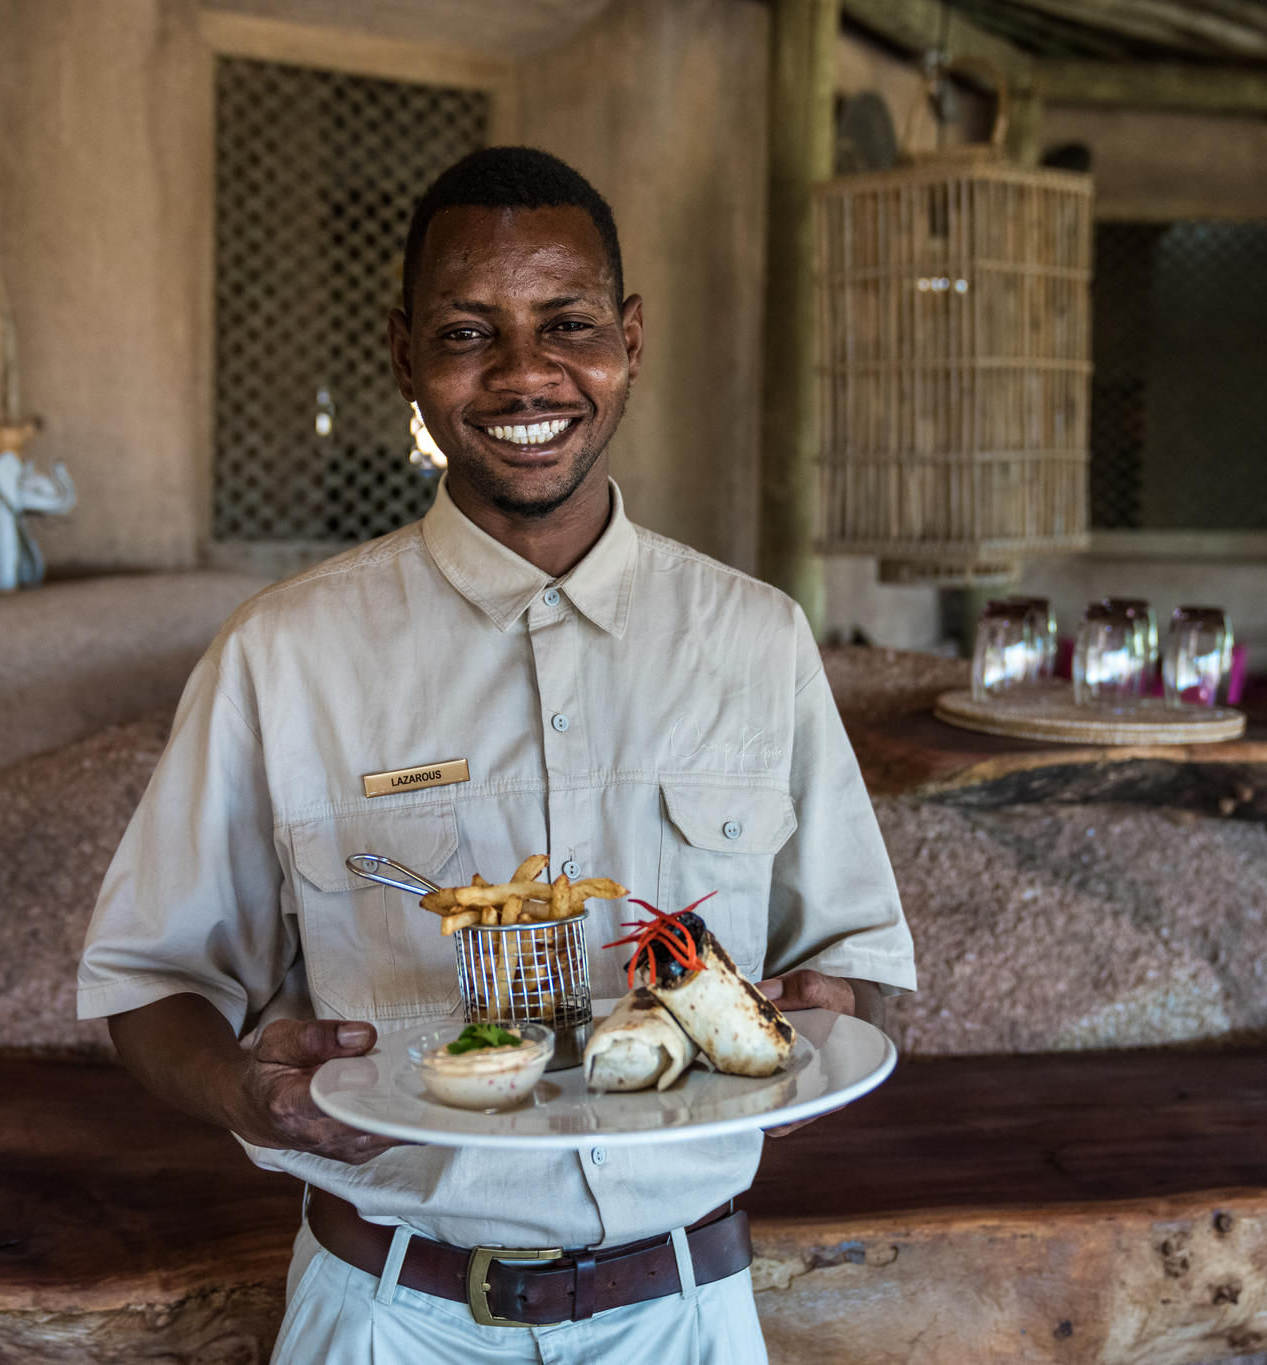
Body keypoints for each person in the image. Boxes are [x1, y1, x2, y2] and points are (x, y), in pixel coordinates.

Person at [76, 145, 916, 1363]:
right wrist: (240, 1088)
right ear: (402, 352)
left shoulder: (754, 639)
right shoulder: (286, 654)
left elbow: (867, 966)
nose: (525, 373)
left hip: (682, 1311)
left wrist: (833, 1016)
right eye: (468, 332)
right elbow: (146, 980)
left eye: (567, 322)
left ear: (628, 337)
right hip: (386, 1312)